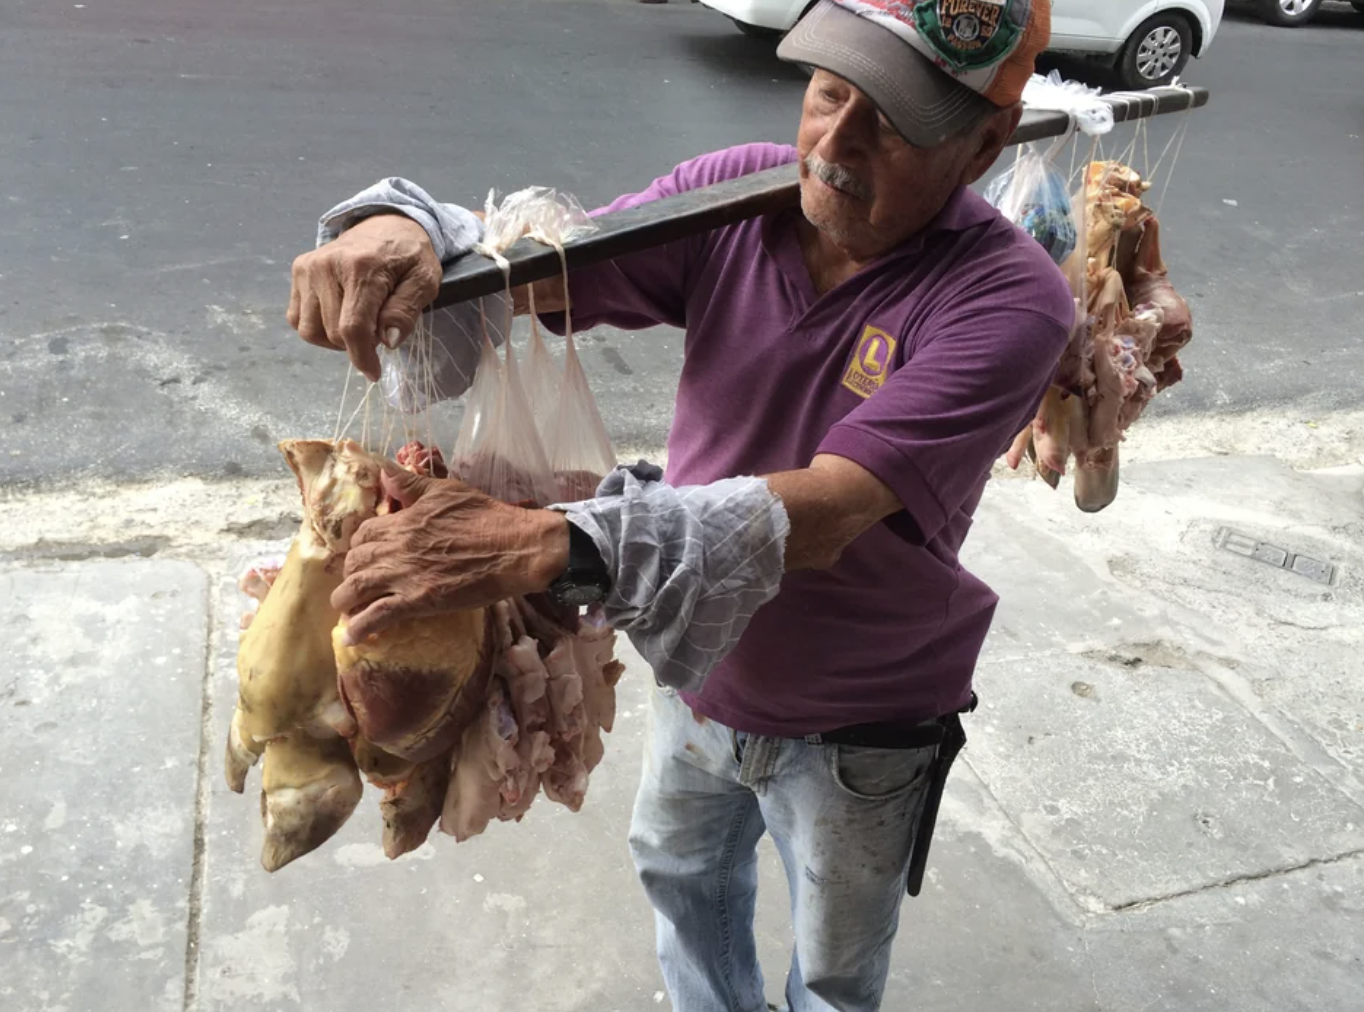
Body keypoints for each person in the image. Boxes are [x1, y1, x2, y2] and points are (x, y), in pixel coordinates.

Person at [287, 2, 1071, 1009]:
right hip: (697, 667)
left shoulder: (1006, 301)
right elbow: (549, 261)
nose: (833, 144)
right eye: (828, 92)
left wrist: (542, 543)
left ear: (984, 143)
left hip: (862, 717)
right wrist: (413, 231)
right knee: (679, 878)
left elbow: (824, 511)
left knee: (833, 964)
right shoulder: (739, 194)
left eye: (892, 120)